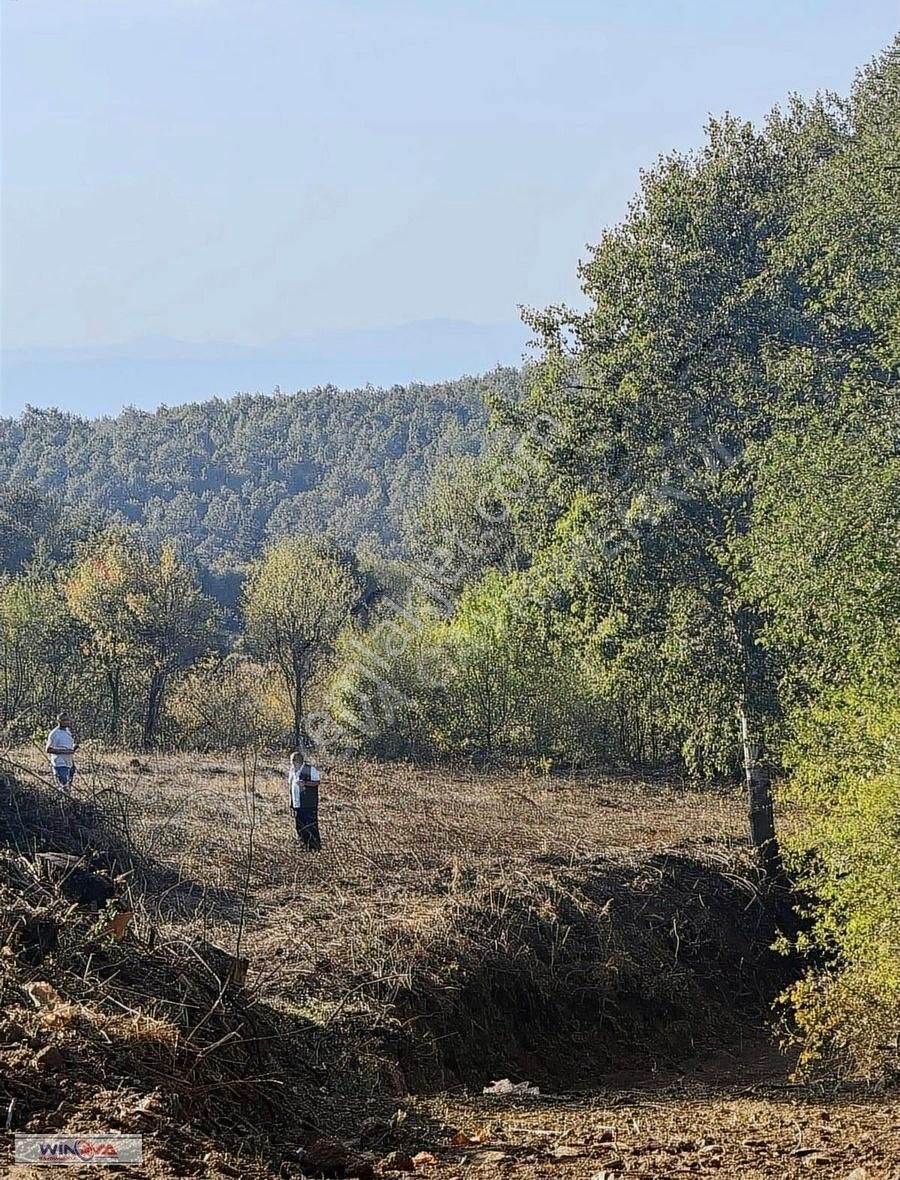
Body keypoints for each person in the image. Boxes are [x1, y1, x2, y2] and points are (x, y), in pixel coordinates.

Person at [289, 751, 322, 852]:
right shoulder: (292, 771)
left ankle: (315, 847)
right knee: (300, 826)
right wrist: (291, 803)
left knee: (311, 825)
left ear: (299, 761)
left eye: (294, 761)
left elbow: (317, 782)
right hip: (297, 804)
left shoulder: (310, 769)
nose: (293, 764)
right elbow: (291, 787)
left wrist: (305, 783)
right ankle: (304, 845)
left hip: (309, 804)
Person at [46, 713, 78, 791]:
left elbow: (68, 747)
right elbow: (48, 749)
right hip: (59, 763)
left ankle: (68, 802)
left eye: (67, 720)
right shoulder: (54, 733)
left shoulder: (68, 732)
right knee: (63, 786)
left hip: (69, 762)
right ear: (58, 721)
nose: (66, 722)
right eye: (63, 720)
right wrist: (64, 751)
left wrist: (74, 749)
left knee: (68, 787)